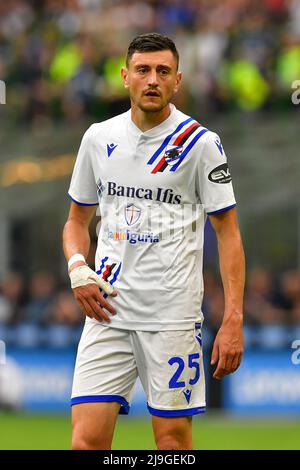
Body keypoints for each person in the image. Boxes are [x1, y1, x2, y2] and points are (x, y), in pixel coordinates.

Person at [63, 32, 245, 450]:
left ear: (177, 80)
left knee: (172, 444)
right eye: (143, 70)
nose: (152, 79)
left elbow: (229, 232)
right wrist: (77, 267)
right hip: (107, 310)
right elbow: (76, 220)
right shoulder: (97, 139)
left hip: (173, 318)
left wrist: (233, 317)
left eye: (163, 71)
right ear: (125, 77)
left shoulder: (200, 144)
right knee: (85, 442)